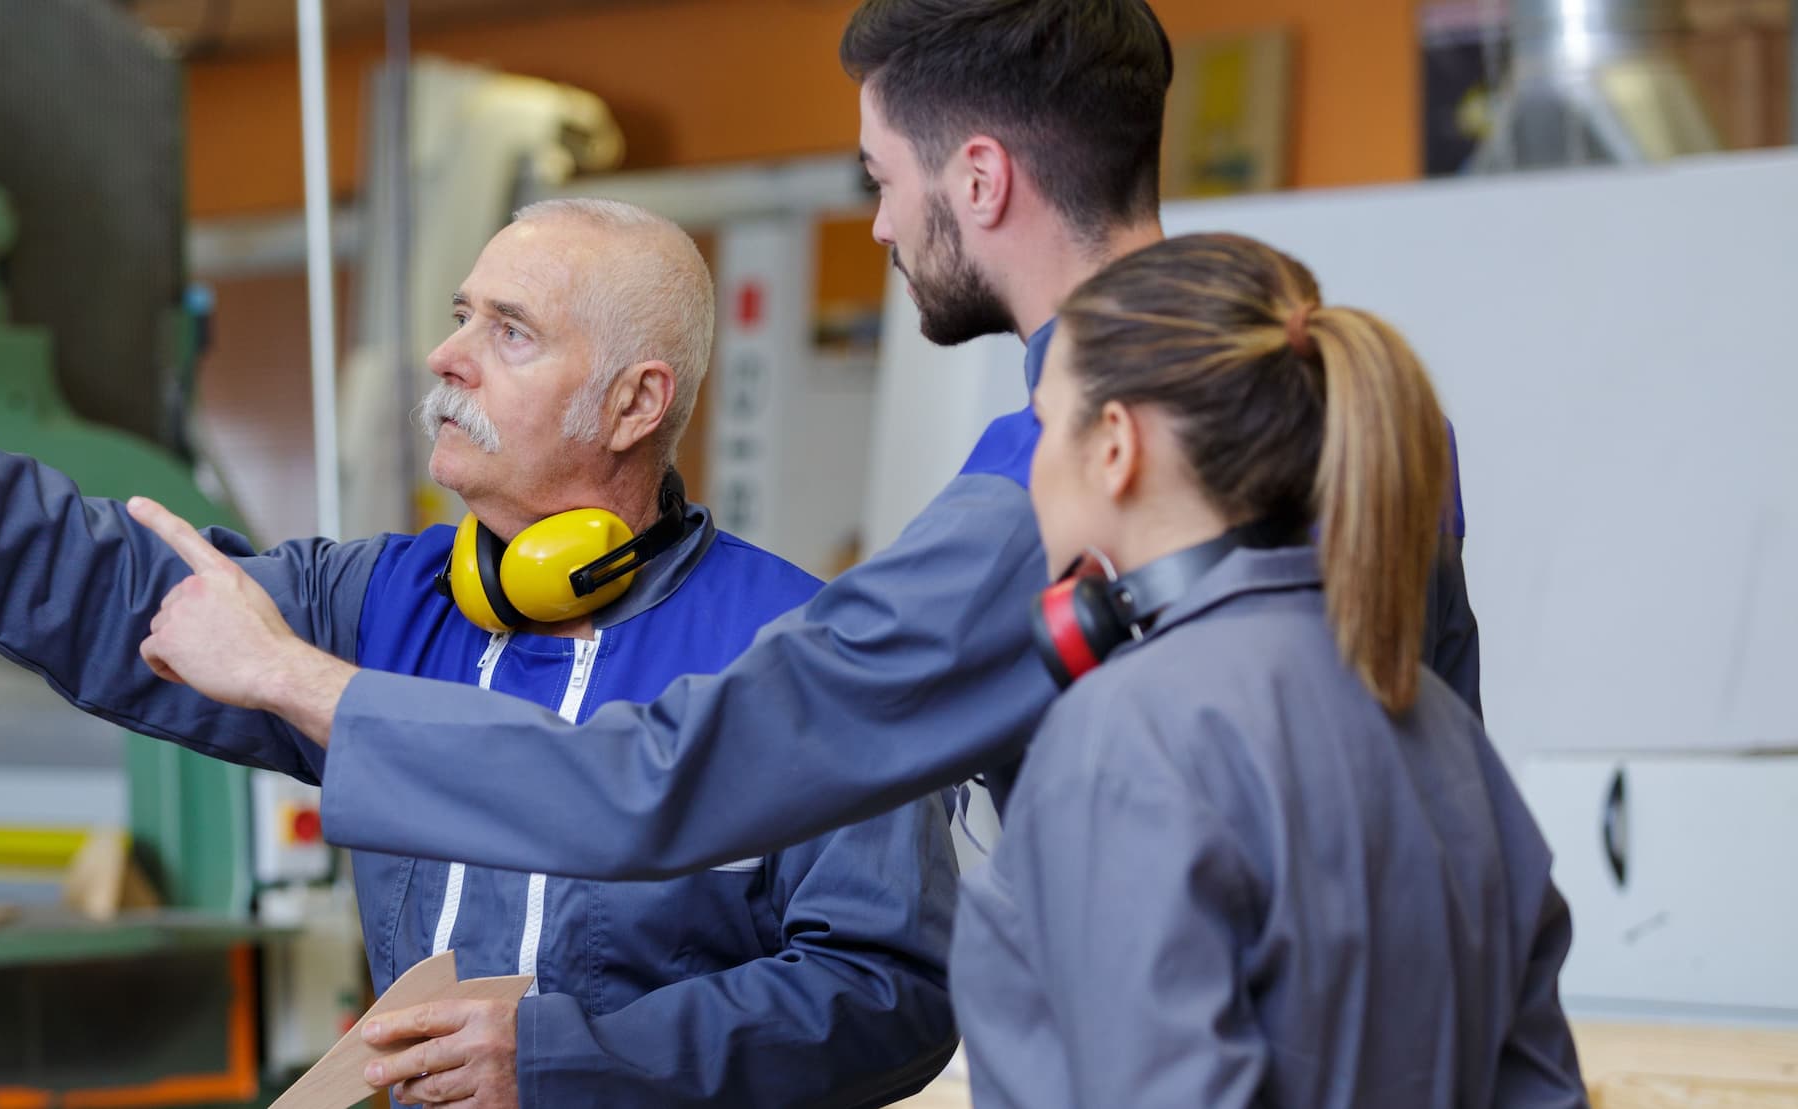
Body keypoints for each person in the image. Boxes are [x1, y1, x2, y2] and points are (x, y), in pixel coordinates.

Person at [108, 0, 1485, 884]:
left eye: (881, 180)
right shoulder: (1358, 400)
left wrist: (299, 681)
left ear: (983, 179)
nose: (881, 226)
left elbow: (658, 784)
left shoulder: (1042, 504)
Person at [0, 199, 961, 1109]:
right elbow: (106, 592)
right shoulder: (390, 599)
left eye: (511, 333)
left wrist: (573, 1056)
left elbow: (887, 993)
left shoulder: (799, 653)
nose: (446, 354)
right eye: (463, 312)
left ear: (636, 406)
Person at [962, 232, 1579, 1105]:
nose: (1032, 470)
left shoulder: (1123, 736)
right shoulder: (1446, 734)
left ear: (1114, 445)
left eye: (1046, 423)